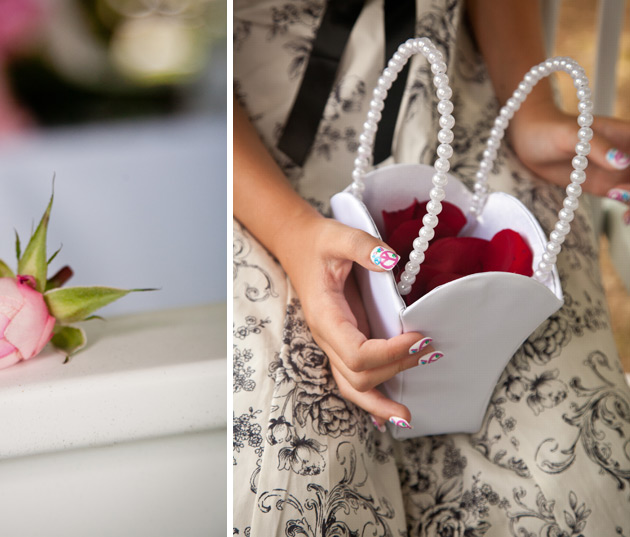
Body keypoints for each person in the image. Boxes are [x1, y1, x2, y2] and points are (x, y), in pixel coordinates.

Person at [232, 0, 630, 534]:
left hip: (466, 117)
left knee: (562, 464)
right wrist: (291, 233)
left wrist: (530, 110)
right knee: (297, 470)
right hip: (251, 168)